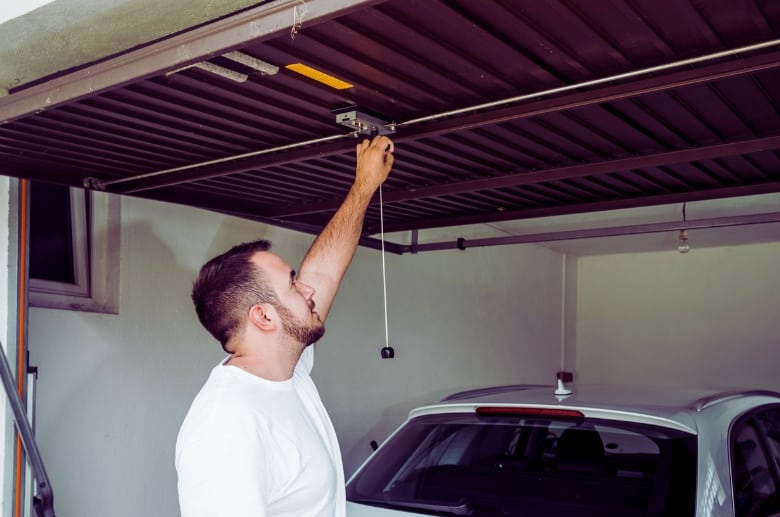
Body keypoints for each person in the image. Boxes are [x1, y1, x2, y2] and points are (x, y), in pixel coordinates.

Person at [175, 135, 395, 517]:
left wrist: (364, 186)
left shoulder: (289, 373)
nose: (307, 289)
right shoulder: (226, 425)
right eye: (293, 283)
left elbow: (324, 272)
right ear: (263, 317)